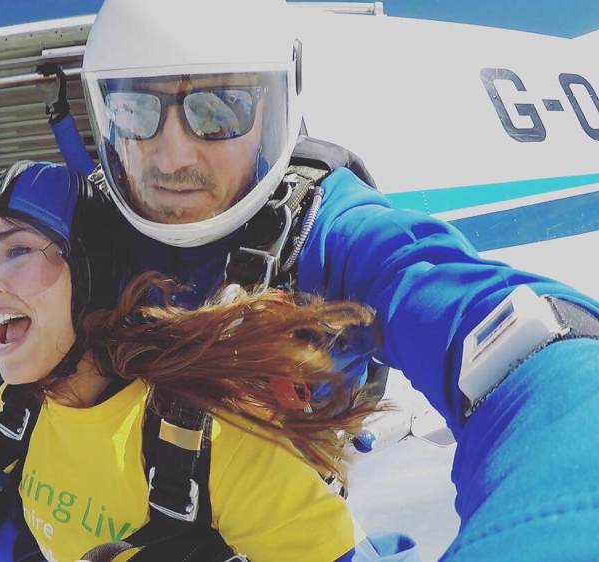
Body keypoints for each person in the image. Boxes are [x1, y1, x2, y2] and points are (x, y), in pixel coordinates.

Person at [70, 0, 599, 559]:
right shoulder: (83, 237)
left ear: (276, 110)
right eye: (135, 111)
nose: (172, 154)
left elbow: (527, 348)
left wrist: (555, 521)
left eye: (221, 107)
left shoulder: (325, 235)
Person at [0, 161, 390, 562]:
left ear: (94, 271)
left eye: (16, 251)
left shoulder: (214, 440)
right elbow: (43, 480)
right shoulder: (17, 407)